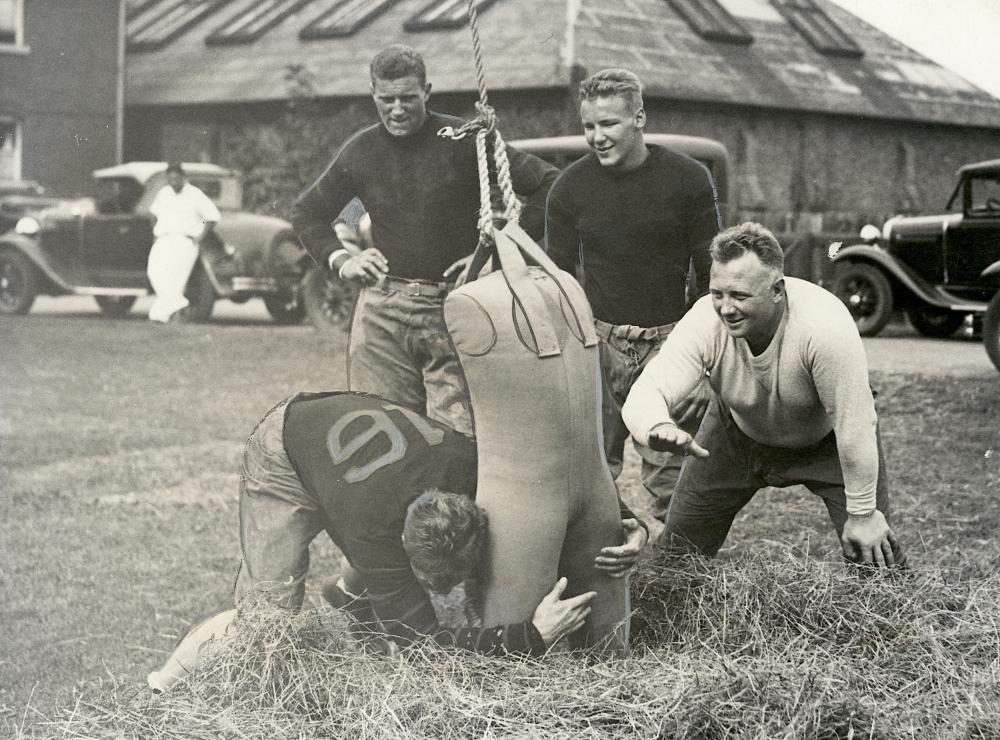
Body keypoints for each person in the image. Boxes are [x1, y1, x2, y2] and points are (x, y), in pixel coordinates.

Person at [147, 391, 647, 693]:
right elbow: (420, 648)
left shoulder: (469, 467)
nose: (446, 594)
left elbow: (548, 481)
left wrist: (626, 521)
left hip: (348, 452)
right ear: (404, 555)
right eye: (432, 584)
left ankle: (346, 603)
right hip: (285, 447)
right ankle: (158, 690)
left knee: (374, 596)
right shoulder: (375, 540)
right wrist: (531, 636)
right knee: (266, 617)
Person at [290, 45, 559, 436]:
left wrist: (495, 253)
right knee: (382, 436)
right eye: (386, 99)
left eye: (408, 98)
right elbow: (306, 212)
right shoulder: (361, 150)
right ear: (373, 94)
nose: (397, 109)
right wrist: (343, 260)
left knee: (457, 439)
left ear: (427, 91)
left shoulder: (465, 139)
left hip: (455, 308)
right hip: (382, 312)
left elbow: (551, 185)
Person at [622, 222, 907, 568]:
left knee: (876, 565)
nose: (726, 308)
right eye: (717, 293)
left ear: (777, 290)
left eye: (740, 296)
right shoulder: (705, 320)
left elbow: (855, 422)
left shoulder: (825, 328)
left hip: (827, 440)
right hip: (735, 434)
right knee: (675, 562)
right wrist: (654, 423)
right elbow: (649, 388)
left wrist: (862, 513)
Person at [544, 68, 720, 520]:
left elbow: (712, 281)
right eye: (589, 126)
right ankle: (604, 573)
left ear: (639, 118)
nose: (597, 137)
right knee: (591, 474)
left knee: (672, 479)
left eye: (609, 124)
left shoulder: (688, 179)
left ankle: (681, 579)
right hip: (597, 345)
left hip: (670, 345)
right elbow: (559, 281)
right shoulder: (569, 188)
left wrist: (705, 367)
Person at [146, 161, 220, 323]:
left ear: (183, 178)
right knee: (155, 274)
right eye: (170, 179)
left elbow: (211, 217)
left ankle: (162, 316)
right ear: (167, 179)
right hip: (163, 239)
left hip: (184, 241)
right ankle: (178, 306)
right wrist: (155, 232)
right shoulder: (164, 193)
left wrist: (200, 234)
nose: (173, 182)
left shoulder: (194, 194)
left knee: (175, 280)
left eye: (176, 178)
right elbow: (154, 213)